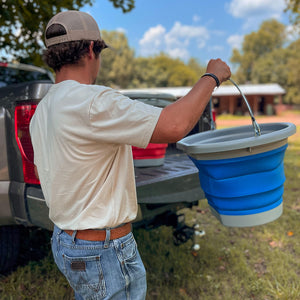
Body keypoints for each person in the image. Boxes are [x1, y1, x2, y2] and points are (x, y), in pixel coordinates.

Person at [29, 10, 231, 300]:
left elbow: (44, 171)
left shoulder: (43, 111)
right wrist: (211, 77)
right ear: (90, 50)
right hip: (102, 249)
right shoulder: (94, 101)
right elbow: (174, 125)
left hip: (65, 241)